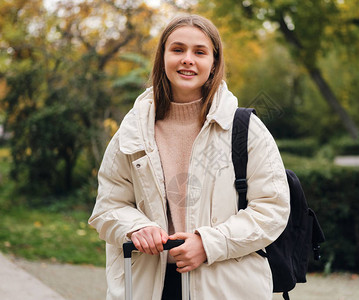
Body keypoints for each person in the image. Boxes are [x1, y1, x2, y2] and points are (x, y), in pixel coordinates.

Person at [88, 14, 290, 300]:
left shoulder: (244, 128)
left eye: (199, 52)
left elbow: (272, 209)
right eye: (178, 49)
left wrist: (208, 244)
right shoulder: (133, 129)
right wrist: (136, 226)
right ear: (163, 58)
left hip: (225, 287)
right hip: (149, 287)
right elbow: (108, 206)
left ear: (214, 63)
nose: (187, 59)